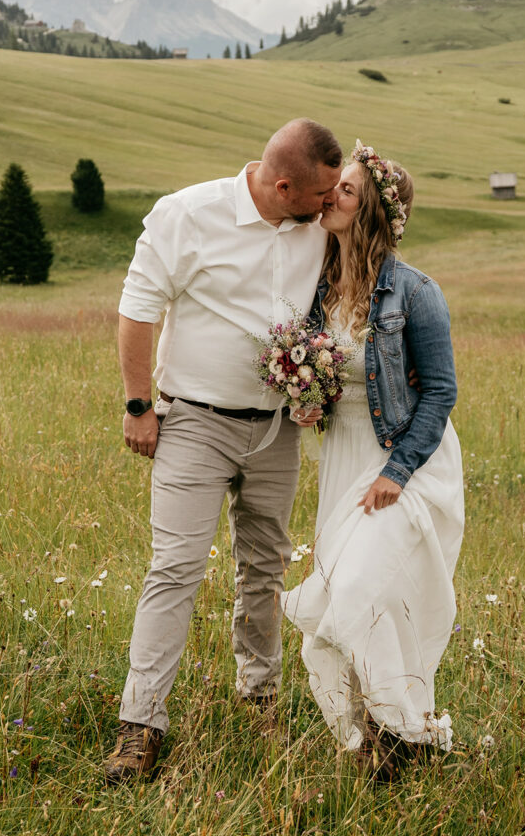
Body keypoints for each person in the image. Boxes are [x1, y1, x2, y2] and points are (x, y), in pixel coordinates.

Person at [103, 118, 343, 782]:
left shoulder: (320, 228)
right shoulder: (186, 215)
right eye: (320, 195)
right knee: (175, 569)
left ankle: (259, 698)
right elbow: (138, 309)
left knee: (265, 567)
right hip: (193, 424)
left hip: (277, 430)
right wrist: (136, 405)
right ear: (284, 184)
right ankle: (140, 726)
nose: (330, 206)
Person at [282, 140, 464, 783]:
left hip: (406, 460)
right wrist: (304, 396)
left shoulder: (415, 291)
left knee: (358, 586)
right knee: (373, 600)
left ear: (374, 212)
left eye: (347, 191)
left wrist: (396, 472)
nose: (331, 196)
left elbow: (440, 389)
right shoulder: (320, 289)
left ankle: (401, 725)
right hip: (344, 456)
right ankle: (389, 739)